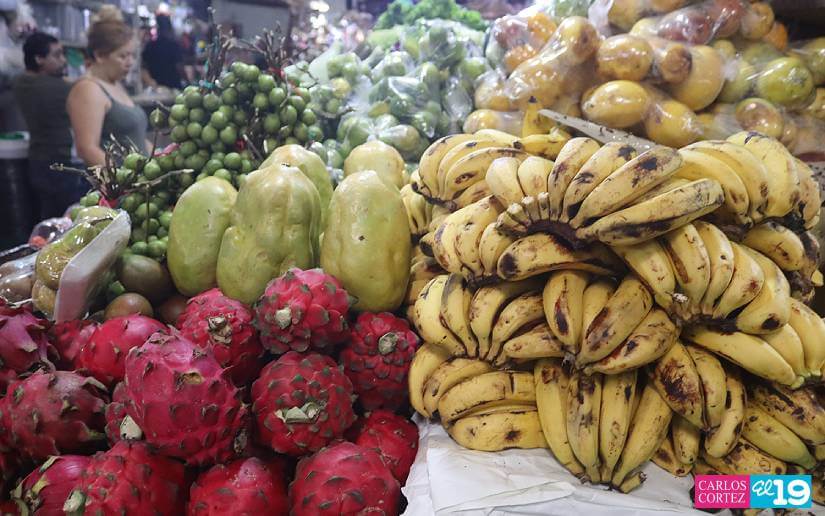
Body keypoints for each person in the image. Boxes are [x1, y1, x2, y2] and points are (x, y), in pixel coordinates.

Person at [13, 32, 88, 219]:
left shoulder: (20, 82)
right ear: (39, 59)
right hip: (62, 164)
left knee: (49, 219)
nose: (63, 60)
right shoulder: (58, 88)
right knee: (69, 221)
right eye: (57, 55)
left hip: (38, 161)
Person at [67, 6, 149, 168]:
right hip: (117, 182)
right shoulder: (88, 89)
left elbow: (135, 137)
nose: (130, 62)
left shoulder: (115, 84)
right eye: (123, 56)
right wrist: (124, 177)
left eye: (132, 55)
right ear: (99, 55)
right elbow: (87, 149)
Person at [141, 14, 183, 89]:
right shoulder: (174, 45)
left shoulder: (151, 45)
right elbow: (179, 66)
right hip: (173, 84)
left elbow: (144, 65)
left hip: (157, 85)